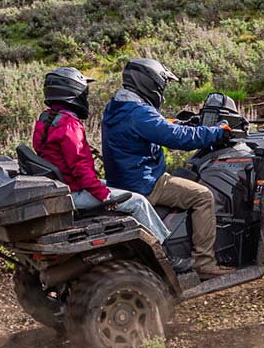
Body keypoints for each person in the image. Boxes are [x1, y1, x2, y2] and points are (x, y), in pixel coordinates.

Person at [102, 58, 234, 280]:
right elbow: (176, 138)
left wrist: (174, 123)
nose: (161, 89)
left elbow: (155, 128)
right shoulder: (139, 113)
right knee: (202, 196)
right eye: (161, 84)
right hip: (145, 183)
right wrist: (218, 131)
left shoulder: (117, 107)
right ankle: (205, 264)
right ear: (149, 83)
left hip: (122, 179)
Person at [33, 67, 170, 244]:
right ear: (73, 91)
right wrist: (104, 196)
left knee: (118, 187)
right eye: (84, 91)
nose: (85, 96)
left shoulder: (46, 119)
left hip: (64, 186)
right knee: (138, 202)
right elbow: (80, 167)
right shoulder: (69, 125)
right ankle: (164, 248)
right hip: (74, 190)